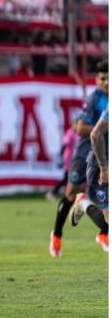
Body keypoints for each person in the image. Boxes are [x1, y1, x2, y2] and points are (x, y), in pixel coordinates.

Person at [50, 64, 108, 257]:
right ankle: (57, 234)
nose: (106, 82)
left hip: (105, 155)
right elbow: (81, 128)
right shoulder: (94, 99)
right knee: (71, 192)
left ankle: (103, 232)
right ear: (97, 80)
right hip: (86, 154)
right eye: (103, 78)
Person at [67, 107, 109, 253]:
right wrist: (104, 168)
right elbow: (95, 134)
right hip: (101, 163)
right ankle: (83, 203)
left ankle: (104, 233)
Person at [47, 123, 79, 201]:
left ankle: (73, 195)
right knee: (67, 178)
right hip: (68, 160)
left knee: (73, 178)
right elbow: (64, 145)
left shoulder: (77, 134)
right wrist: (61, 157)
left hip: (75, 160)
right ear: (73, 124)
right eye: (76, 124)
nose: (77, 126)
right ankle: (52, 193)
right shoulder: (70, 133)